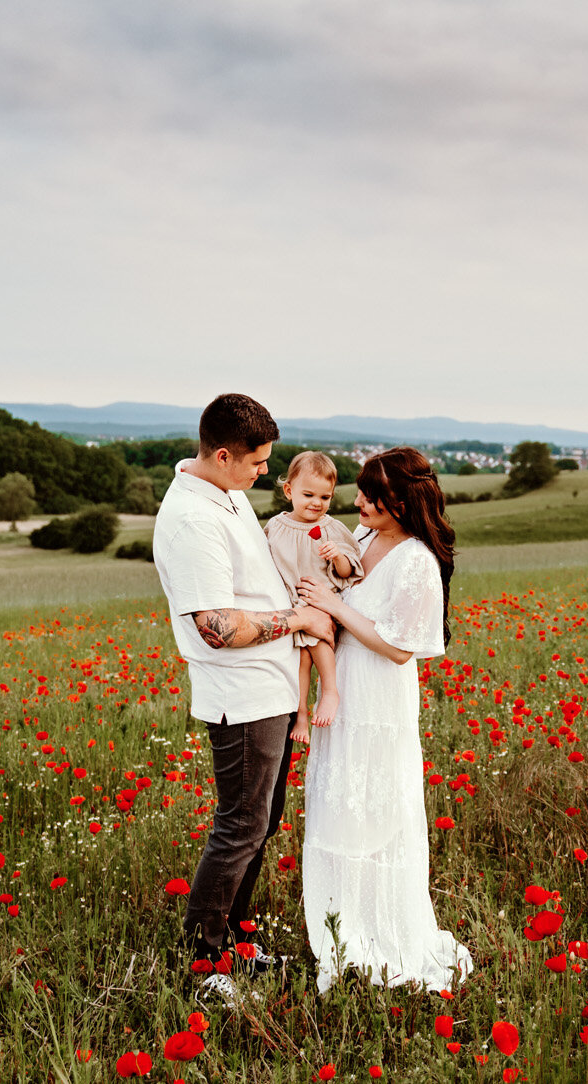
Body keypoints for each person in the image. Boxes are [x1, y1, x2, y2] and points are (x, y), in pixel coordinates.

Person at [151, 394, 335, 1002]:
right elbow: (217, 626)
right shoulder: (193, 520)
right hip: (242, 694)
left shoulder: (225, 493)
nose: (264, 473)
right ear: (224, 454)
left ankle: (233, 935)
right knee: (240, 825)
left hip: (273, 688)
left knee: (263, 821)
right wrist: (298, 618)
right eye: (257, 463)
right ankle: (205, 961)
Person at [294, 447, 475, 994]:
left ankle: (382, 937)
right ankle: (342, 934)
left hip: (378, 701)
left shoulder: (417, 559)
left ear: (399, 500)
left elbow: (399, 648)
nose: (357, 502)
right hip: (342, 692)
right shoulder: (365, 538)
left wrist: (335, 605)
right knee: (338, 811)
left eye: (369, 496)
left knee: (376, 816)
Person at [263, 451, 364, 744]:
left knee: (316, 643)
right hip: (290, 606)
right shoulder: (276, 526)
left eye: (325, 497)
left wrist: (338, 555)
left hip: (320, 603)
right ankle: (301, 714)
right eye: (308, 494)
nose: (316, 503)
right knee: (300, 663)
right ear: (289, 490)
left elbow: (348, 571)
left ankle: (330, 691)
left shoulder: (331, 529)